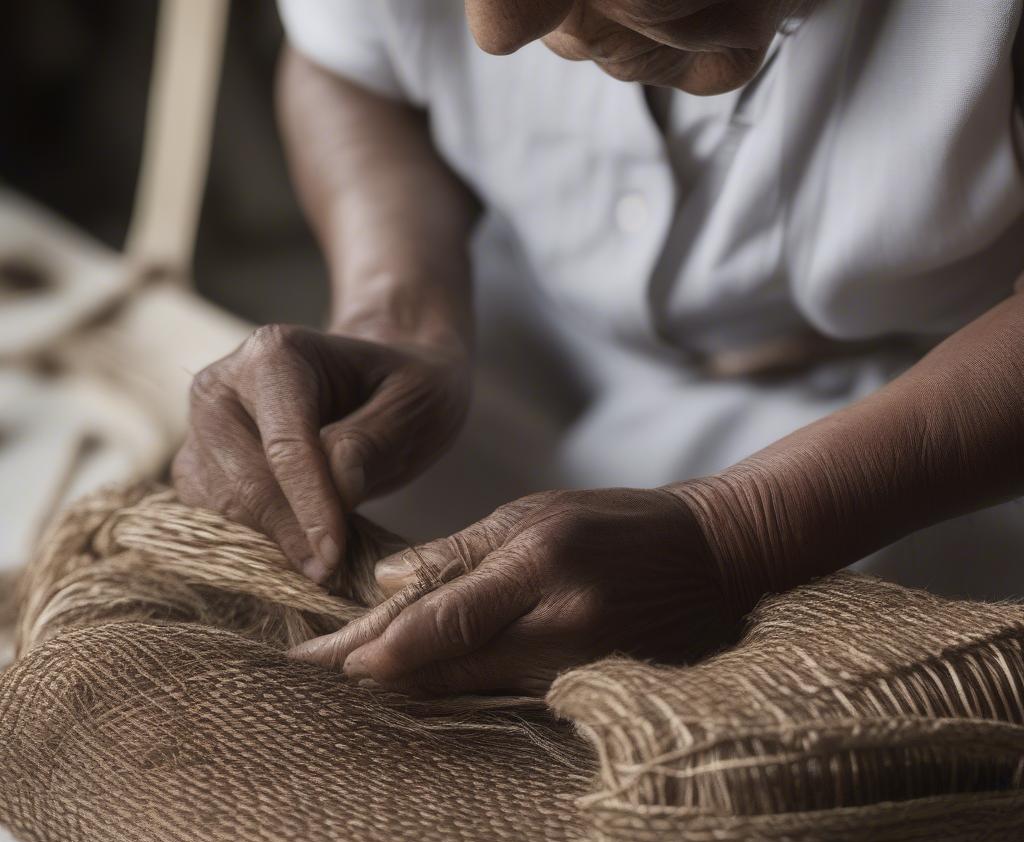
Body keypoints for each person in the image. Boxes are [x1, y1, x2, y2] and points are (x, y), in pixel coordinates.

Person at [174, 0, 1024, 696]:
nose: (495, 32)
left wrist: (736, 535)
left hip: (938, 429)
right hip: (515, 322)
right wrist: (397, 309)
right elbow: (349, 60)